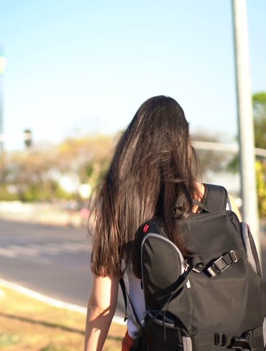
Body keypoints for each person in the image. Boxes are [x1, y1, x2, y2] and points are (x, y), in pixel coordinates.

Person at [83, 95, 239, 351]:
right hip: (222, 341)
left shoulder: (117, 202)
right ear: (183, 142)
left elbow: (102, 304)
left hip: (154, 342)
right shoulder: (219, 199)